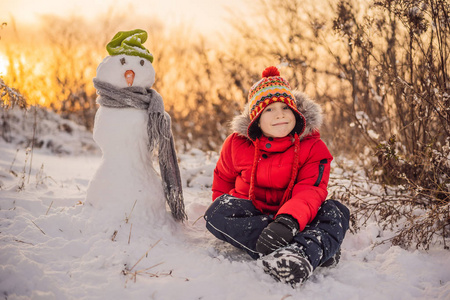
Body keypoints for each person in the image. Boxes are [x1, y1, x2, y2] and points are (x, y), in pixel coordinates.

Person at [204, 66, 350, 287]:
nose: (280, 114)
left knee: (336, 212)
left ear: (296, 112)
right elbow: (222, 178)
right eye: (269, 110)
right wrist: (229, 212)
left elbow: (311, 189)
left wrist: (288, 221)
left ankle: (300, 253)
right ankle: (310, 252)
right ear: (256, 119)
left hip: (299, 218)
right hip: (254, 215)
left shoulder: (313, 147)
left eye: (285, 107)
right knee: (216, 211)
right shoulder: (236, 144)